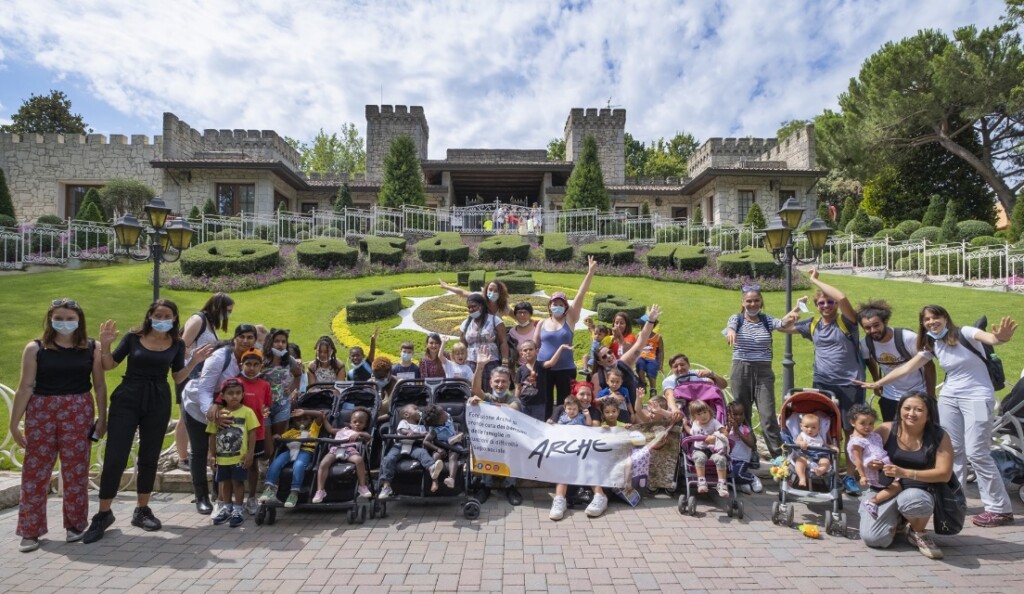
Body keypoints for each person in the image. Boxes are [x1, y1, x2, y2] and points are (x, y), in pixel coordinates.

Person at [855, 306, 1016, 528]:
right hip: (950, 397)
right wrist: (879, 383)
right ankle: (956, 498)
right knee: (953, 449)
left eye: (935, 317)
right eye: (927, 319)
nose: (931, 322)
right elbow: (909, 366)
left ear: (945, 318)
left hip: (978, 398)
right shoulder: (933, 342)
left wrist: (999, 338)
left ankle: (999, 508)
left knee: (978, 451)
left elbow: (989, 338)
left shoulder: (965, 333)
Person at [84, 300, 211, 544]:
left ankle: (142, 509)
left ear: (174, 319)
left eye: (168, 315)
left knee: (149, 456)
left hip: (157, 400)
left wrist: (193, 362)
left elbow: (176, 377)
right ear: (150, 315)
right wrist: (106, 346)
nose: (162, 318)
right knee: (115, 456)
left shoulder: (177, 343)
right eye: (158, 314)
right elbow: (109, 365)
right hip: (128, 397)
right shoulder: (133, 338)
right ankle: (103, 513)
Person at [11, 298, 107, 553]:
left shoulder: (91, 348)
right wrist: (14, 423)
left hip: (78, 410)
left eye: (69, 318)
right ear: (51, 320)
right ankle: (30, 530)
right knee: (35, 471)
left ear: (79, 320)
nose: (64, 323)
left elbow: (99, 385)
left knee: (76, 469)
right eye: (59, 318)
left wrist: (103, 417)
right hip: (41, 411)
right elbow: (25, 387)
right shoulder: (35, 348)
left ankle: (75, 525)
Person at [782, 269, 864, 494]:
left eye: (829, 302)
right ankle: (819, 467)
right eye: (821, 303)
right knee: (825, 427)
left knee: (849, 430)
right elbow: (782, 328)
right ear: (816, 306)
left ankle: (849, 475)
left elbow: (843, 298)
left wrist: (815, 280)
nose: (826, 305)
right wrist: (795, 311)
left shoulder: (847, 323)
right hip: (822, 383)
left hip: (850, 384)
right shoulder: (813, 325)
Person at [858, 392, 954, 560]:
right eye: (907, 408)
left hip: (918, 489)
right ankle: (899, 520)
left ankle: (917, 531)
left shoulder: (939, 436)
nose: (911, 413)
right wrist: (870, 464)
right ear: (899, 409)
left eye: (918, 410)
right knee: (874, 538)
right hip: (884, 489)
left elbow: (944, 474)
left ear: (929, 413)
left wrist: (905, 473)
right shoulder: (886, 430)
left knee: (914, 501)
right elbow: (861, 450)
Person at [181, 323, 258, 515]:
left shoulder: (249, 358)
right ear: (235, 338)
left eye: (250, 337)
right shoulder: (221, 356)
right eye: (242, 337)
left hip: (223, 406)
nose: (246, 341)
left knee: (223, 450)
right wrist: (211, 412)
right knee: (200, 450)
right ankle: (202, 497)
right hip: (197, 404)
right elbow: (205, 387)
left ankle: (219, 497)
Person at [724, 285, 794, 462]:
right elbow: (730, 327)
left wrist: (798, 308)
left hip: (763, 371)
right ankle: (750, 452)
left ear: (761, 301)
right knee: (742, 414)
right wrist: (731, 332)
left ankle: (779, 456)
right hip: (741, 369)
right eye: (749, 301)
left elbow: (783, 324)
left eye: (756, 300)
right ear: (743, 302)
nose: (753, 304)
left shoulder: (766, 320)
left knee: (768, 416)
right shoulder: (737, 318)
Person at [175, 292, 233, 470]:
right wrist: (193, 362)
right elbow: (182, 345)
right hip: (188, 372)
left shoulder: (210, 325)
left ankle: (196, 453)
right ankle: (182, 457)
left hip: (201, 375)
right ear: (218, 307)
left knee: (193, 416)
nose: (228, 315)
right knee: (184, 416)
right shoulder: (198, 319)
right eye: (227, 310)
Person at [534, 256, 598, 418]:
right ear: (549, 306)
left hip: (565, 369)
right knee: (545, 401)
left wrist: (590, 273)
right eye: (554, 304)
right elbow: (534, 346)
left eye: (561, 304)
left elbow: (581, 294)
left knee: (566, 403)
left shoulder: (570, 319)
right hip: (545, 369)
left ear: (565, 307)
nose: (557, 307)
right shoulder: (542, 323)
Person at [857, 300, 936, 422]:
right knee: (892, 434)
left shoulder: (907, 338)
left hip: (918, 392)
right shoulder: (866, 343)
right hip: (890, 395)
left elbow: (929, 365)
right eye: (867, 328)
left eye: (876, 325)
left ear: (885, 322)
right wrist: (877, 381)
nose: (872, 330)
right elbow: (869, 361)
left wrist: (930, 395)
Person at [206, 378, 259, 528]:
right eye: (230, 393)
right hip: (223, 458)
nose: (234, 396)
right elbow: (212, 434)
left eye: (238, 393)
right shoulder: (218, 415)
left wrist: (250, 453)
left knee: (238, 483)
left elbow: (253, 433)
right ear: (222, 396)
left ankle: (238, 509)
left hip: (239, 458)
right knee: (224, 483)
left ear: (243, 394)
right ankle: (227, 507)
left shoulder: (247, 412)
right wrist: (211, 454)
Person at [469, 360, 523, 505]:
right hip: (490, 441)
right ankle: (485, 485)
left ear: (509, 383)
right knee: (484, 446)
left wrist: (496, 406)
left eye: (504, 382)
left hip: (508, 441)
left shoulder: (513, 398)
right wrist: (480, 366)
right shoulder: (486, 397)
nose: (500, 385)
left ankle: (510, 486)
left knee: (513, 448)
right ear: (491, 382)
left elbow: (513, 408)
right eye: (497, 381)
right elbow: (475, 390)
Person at [591, 305, 663, 408]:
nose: (609, 356)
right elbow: (593, 402)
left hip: (631, 412)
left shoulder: (623, 363)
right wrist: (611, 397)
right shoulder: (598, 376)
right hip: (608, 415)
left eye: (610, 352)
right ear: (599, 362)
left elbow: (640, 342)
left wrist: (651, 321)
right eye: (604, 357)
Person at [261, 408, 328, 508]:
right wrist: (276, 437)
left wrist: (305, 411)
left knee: (299, 464)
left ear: (310, 420)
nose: (301, 421)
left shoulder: (314, 427)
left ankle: (294, 493)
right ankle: (268, 488)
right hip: (291, 450)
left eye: (305, 419)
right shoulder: (292, 431)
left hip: (306, 450)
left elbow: (320, 415)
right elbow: (281, 438)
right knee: (277, 462)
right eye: (298, 419)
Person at [847, 404, 902, 519]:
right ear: (853, 422)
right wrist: (862, 476)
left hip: (884, 467)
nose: (867, 427)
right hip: (875, 472)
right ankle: (872, 501)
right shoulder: (857, 442)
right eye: (862, 423)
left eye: (871, 423)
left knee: (896, 485)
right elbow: (857, 460)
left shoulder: (872, 436)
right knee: (896, 487)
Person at [378, 403, 443, 499]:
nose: (418, 410)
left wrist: (424, 435)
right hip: (400, 445)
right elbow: (402, 431)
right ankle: (386, 486)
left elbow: (423, 439)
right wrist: (409, 432)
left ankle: (432, 468)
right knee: (388, 459)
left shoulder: (421, 426)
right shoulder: (404, 422)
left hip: (413, 446)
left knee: (423, 453)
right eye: (415, 409)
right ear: (406, 415)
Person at [311, 407, 373, 502]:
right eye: (355, 421)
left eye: (361, 422)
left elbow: (369, 437)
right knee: (323, 463)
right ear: (350, 422)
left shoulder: (361, 433)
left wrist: (359, 433)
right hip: (336, 449)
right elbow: (330, 430)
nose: (357, 424)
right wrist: (324, 419)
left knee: (359, 460)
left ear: (365, 424)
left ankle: (362, 486)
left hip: (349, 450)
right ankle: (320, 490)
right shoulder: (343, 430)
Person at [237, 348, 272, 514]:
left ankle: (251, 498)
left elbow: (266, 405)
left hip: (257, 432)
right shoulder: (235, 382)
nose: (251, 368)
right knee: (235, 467)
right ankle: (234, 501)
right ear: (241, 365)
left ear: (261, 367)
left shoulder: (265, 385)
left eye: (255, 364)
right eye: (248, 364)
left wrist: (265, 411)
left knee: (252, 466)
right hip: (237, 433)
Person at [260, 328, 302, 465]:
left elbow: (298, 373)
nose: (280, 344)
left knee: (278, 440)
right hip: (264, 406)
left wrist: (293, 389)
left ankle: (271, 476)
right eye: (277, 341)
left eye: (283, 341)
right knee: (268, 447)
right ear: (270, 342)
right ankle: (265, 462)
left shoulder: (288, 360)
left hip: (282, 404)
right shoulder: (261, 359)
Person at [460, 293, 509, 388]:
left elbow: (503, 342)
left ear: (481, 305)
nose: (471, 309)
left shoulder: (495, 320)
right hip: (471, 364)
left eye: (474, 306)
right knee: (472, 393)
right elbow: (462, 345)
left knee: (491, 394)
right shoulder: (466, 323)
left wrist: (505, 363)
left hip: (490, 363)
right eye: (469, 307)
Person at [684, 399, 730, 498]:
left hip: (714, 450)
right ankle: (701, 481)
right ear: (694, 416)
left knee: (721, 459)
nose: (703, 416)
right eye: (699, 414)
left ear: (709, 411)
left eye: (705, 412)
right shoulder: (695, 423)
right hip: (699, 450)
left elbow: (725, 433)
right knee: (699, 458)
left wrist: (716, 437)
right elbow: (692, 433)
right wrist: (685, 425)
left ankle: (722, 483)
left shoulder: (714, 422)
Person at [422, 404, 468, 492]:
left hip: (453, 444)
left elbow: (452, 429)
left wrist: (458, 434)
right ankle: (434, 481)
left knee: (453, 455)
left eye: (443, 411)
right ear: (438, 422)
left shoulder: (448, 417)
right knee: (435, 457)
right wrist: (437, 449)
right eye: (443, 414)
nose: (445, 413)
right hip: (441, 446)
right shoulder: (434, 430)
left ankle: (451, 479)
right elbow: (425, 441)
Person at [791, 413, 838, 490]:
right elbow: (797, 441)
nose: (809, 429)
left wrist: (831, 446)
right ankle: (802, 478)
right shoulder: (802, 435)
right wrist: (801, 443)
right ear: (801, 426)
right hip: (805, 456)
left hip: (820, 456)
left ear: (819, 429)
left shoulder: (820, 437)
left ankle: (820, 470)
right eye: (806, 426)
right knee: (799, 462)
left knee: (826, 461)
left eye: (813, 427)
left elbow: (825, 444)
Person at [726, 401, 763, 494]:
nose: (738, 417)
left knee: (736, 474)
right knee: (724, 476)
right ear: (729, 415)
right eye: (735, 414)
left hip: (741, 460)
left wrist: (737, 431)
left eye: (741, 414)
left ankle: (752, 478)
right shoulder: (726, 428)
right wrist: (728, 429)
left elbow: (752, 445)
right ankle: (740, 486)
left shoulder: (745, 429)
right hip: (729, 459)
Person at [440, 278, 512, 318]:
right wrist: (447, 287)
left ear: (501, 293)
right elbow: (463, 293)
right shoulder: (480, 297)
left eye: (496, 291)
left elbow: (518, 317)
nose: (492, 292)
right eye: (490, 289)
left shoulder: (503, 306)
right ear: (486, 290)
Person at [514, 340, 545, 421]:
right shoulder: (520, 370)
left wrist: (560, 348)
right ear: (521, 354)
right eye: (525, 350)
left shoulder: (541, 366)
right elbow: (518, 388)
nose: (528, 352)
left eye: (531, 349)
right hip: (524, 403)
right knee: (524, 425)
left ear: (537, 351)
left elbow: (551, 363)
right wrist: (515, 401)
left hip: (539, 404)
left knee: (538, 426)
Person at [508, 301, 538, 368]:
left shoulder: (537, 328)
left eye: (525, 312)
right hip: (521, 367)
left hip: (537, 365)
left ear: (530, 314)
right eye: (519, 312)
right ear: (515, 315)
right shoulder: (512, 331)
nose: (522, 315)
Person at [635, 326, 664, 391]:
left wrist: (661, 364)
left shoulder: (658, 337)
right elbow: (635, 348)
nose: (641, 327)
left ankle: (653, 389)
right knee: (639, 363)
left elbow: (661, 352)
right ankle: (643, 383)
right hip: (641, 356)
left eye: (643, 325)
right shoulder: (639, 335)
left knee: (651, 367)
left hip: (652, 357)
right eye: (640, 325)